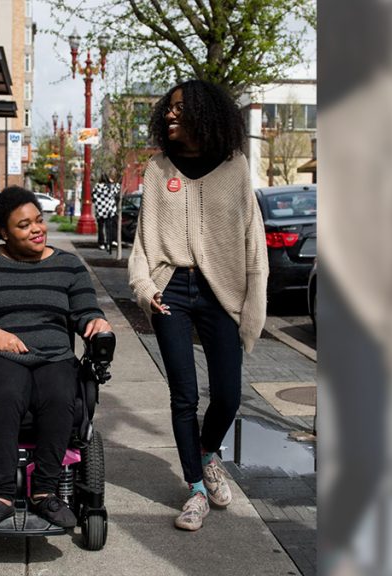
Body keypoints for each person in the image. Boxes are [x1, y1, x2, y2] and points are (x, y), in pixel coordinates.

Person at [128, 79, 268, 531]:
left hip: (220, 293)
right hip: (170, 290)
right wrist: (145, 288)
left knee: (227, 395)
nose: (170, 115)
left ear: (204, 114)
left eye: (180, 109)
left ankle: (209, 453)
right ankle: (194, 489)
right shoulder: (157, 170)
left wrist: (253, 304)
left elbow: (253, 240)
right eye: (167, 109)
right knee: (184, 396)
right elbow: (142, 245)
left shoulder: (235, 167)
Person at [0, 186, 112, 533]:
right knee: (8, 391)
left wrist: (95, 323)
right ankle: (2, 496)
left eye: (39, 220)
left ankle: (45, 492)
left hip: (53, 356)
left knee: (58, 392)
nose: (37, 229)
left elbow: (86, 311)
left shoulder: (68, 266)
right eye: (24, 225)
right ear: (4, 233)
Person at [92, 173, 120, 251]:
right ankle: (111, 241)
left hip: (100, 211)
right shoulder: (111, 187)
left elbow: (93, 198)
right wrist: (112, 182)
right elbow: (118, 187)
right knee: (110, 227)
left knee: (100, 228)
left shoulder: (96, 187)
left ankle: (101, 244)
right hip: (110, 210)